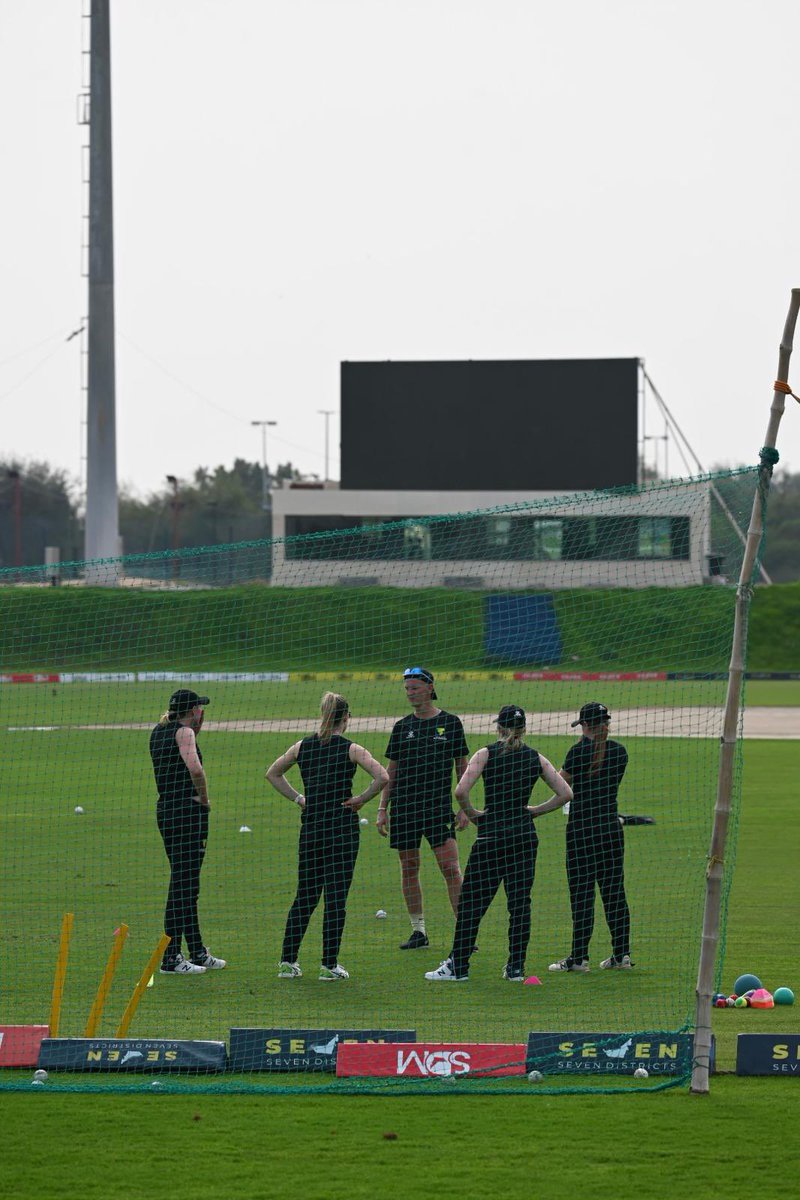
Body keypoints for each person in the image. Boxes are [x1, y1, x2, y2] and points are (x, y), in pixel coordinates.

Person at [424, 705, 572, 982]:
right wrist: (534, 811)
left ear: (499, 728)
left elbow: (460, 790)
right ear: (524, 729)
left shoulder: (486, 753)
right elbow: (565, 793)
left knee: (472, 903)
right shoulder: (535, 757)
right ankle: (516, 967)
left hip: (491, 836)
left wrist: (473, 815)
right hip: (524, 837)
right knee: (519, 905)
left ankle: (459, 966)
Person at [266, 692, 388, 981]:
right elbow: (383, 777)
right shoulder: (352, 749)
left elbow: (273, 773)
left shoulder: (302, 746)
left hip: (311, 827)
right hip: (341, 829)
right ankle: (329, 965)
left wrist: (299, 799)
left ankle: (287, 961)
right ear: (346, 718)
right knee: (336, 897)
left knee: (305, 895)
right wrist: (361, 799)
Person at [531, 701, 633, 972]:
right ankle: (621, 954)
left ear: (585, 725)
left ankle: (579, 958)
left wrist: (536, 811)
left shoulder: (578, 752)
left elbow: (560, 787)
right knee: (614, 892)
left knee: (582, 895)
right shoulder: (619, 752)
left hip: (582, 832)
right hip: (611, 830)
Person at [377, 667, 469, 949]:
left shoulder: (451, 723)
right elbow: (390, 771)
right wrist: (383, 807)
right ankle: (419, 932)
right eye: (407, 689)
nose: (410, 693)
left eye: (415, 687)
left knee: (451, 868)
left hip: (438, 808)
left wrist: (464, 807)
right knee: (409, 867)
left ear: (430, 688)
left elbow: (462, 767)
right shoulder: (402, 727)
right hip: (404, 808)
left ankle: (464, 931)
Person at [149, 688, 226, 975]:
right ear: (192, 710)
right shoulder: (184, 733)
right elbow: (195, 769)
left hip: (167, 811)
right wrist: (204, 799)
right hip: (187, 813)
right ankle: (171, 957)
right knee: (183, 884)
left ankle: (196, 950)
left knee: (187, 882)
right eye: (199, 709)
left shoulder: (159, 730)